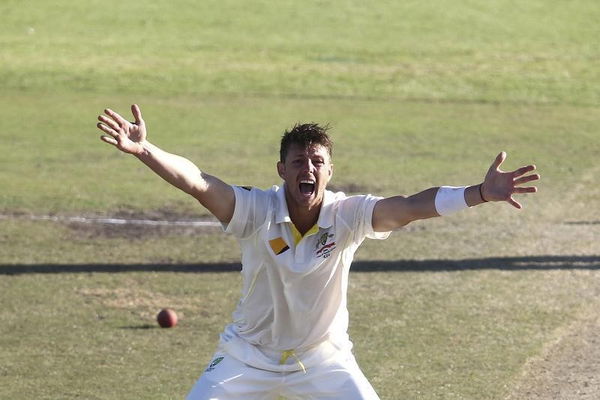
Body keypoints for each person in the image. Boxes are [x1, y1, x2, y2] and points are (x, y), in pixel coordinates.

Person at [96, 104, 540, 400]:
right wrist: (145, 150)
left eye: (316, 162)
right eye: (297, 162)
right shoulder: (253, 210)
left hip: (324, 359)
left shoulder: (348, 215)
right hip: (246, 356)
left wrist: (479, 193)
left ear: (329, 171)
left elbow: (409, 207)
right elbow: (196, 180)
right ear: (281, 170)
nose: (307, 169)